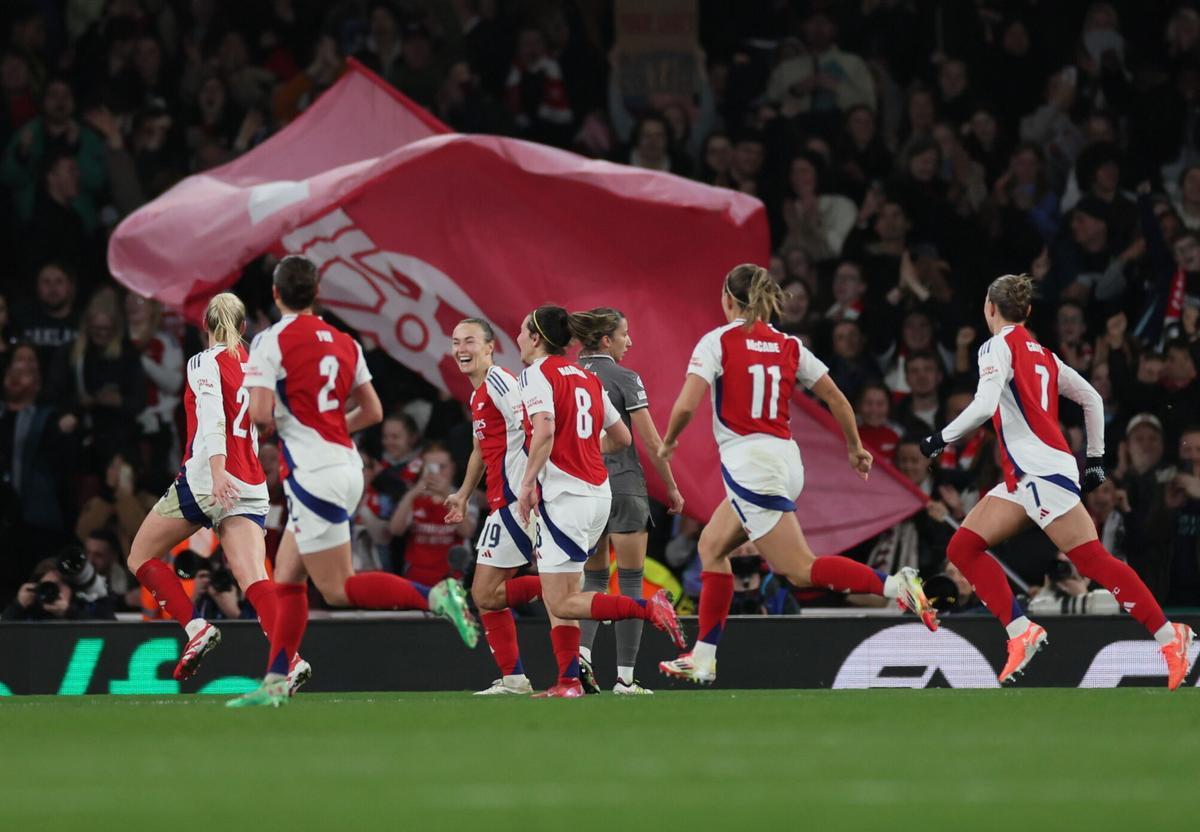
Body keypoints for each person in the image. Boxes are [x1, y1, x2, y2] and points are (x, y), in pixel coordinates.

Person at [656, 264, 937, 685]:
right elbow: (837, 398)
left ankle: (897, 586)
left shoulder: (718, 341)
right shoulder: (789, 344)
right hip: (786, 460)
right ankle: (703, 657)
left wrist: (669, 442)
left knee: (800, 569)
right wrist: (855, 446)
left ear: (728, 299)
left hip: (753, 466)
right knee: (712, 545)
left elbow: (686, 405)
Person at [918, 274, 1195, 689]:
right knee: (963, 547)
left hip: (1040, 473)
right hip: (1026, 475)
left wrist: (939, 439)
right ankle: (1020, 631)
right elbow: (1091, 398)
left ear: (989, 308)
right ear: (1027, 311)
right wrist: (1095, 458)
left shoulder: (996, 346)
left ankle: (1171, 637)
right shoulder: (1044, 354)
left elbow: (984, 405)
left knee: (1093, 561)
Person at [230, 256, 476, 707]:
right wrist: (328, 427)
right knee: (287, 577)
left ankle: (436, 596)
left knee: (338, 588)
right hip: (344, 464)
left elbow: (262, 415)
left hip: (313, 474)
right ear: (317, 293)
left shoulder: (270, 340)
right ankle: (276, 681)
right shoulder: (344, 341)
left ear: (276, 294)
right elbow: (374, 411)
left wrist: (265, 423)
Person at [124, 294, 310, 688]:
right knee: (254, 579)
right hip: (251, 482)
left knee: (140, 556)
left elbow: (212, 419)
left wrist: (218, 471)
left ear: (204, 326)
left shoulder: (203, 362)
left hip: (209, 479)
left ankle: (196, 628)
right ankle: (289, 659)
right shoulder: (258, 365)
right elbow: (268, 420)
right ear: (243, 327)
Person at [515, 305, 685, 698]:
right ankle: (571, 680)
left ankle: (648, 609)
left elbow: (544, 429)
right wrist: (585, 447)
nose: (519, 337)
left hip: (567, 497)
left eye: (524, 331)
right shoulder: (585, 378)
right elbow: (623, 437)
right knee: (573, 590)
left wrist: (527, 483)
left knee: (562, 601)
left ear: (537, 337)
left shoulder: (537, 374)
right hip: (600, 493)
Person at [575, 308, 685, 695]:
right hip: (623, 486)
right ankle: (625, 678)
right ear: (606, 340)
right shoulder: (625, 378)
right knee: (631, 581)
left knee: (592, 579)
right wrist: (671, 487)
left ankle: (581, 660)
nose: (630, 341)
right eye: (625, 334)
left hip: (583, 489)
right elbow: (652, 442)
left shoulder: (567, 375)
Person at [443, 318, 543, 696]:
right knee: (486, 596)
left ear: (490, 347)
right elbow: (479, 449)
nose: (461, 349)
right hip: (503, 500)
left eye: (470, 341)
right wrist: (464, 494)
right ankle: (514, 678)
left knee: (484, 593)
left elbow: (532, 428)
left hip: (518, 500)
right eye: (456, 342)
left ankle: (564, 586)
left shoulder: (500, 381)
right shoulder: (477, 395)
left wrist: (532, 485)